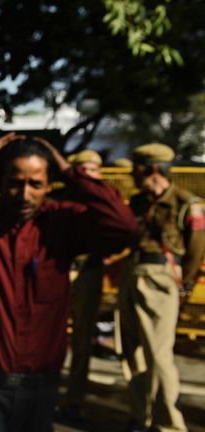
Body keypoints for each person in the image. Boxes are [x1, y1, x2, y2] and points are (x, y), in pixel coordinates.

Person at [0, 133, 137, 432]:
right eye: (15, 183)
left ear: (49, 185)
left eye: (36, 184)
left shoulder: (63, 223)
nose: (25, 194)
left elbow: (124, 227)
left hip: (42, 386)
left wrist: (71, 171)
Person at [120, 143, 205, 432]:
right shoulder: (138, 202)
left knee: (158, 355)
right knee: (131, 351)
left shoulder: (187, 203)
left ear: (153, 169)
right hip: (131, 272)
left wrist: (185, 288)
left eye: (137, 167)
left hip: (161, 277)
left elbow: (195, 251)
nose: (132, 173)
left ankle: (169, 425)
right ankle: (140, 416)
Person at [60, 149, 108, 421]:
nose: (90, 176)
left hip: (89, 271)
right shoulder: (61, 201)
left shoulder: (104, 202)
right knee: (50, 336)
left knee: (82, 341)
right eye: (84, 170)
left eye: (94, 170)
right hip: (61, 270)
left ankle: (74, 400)